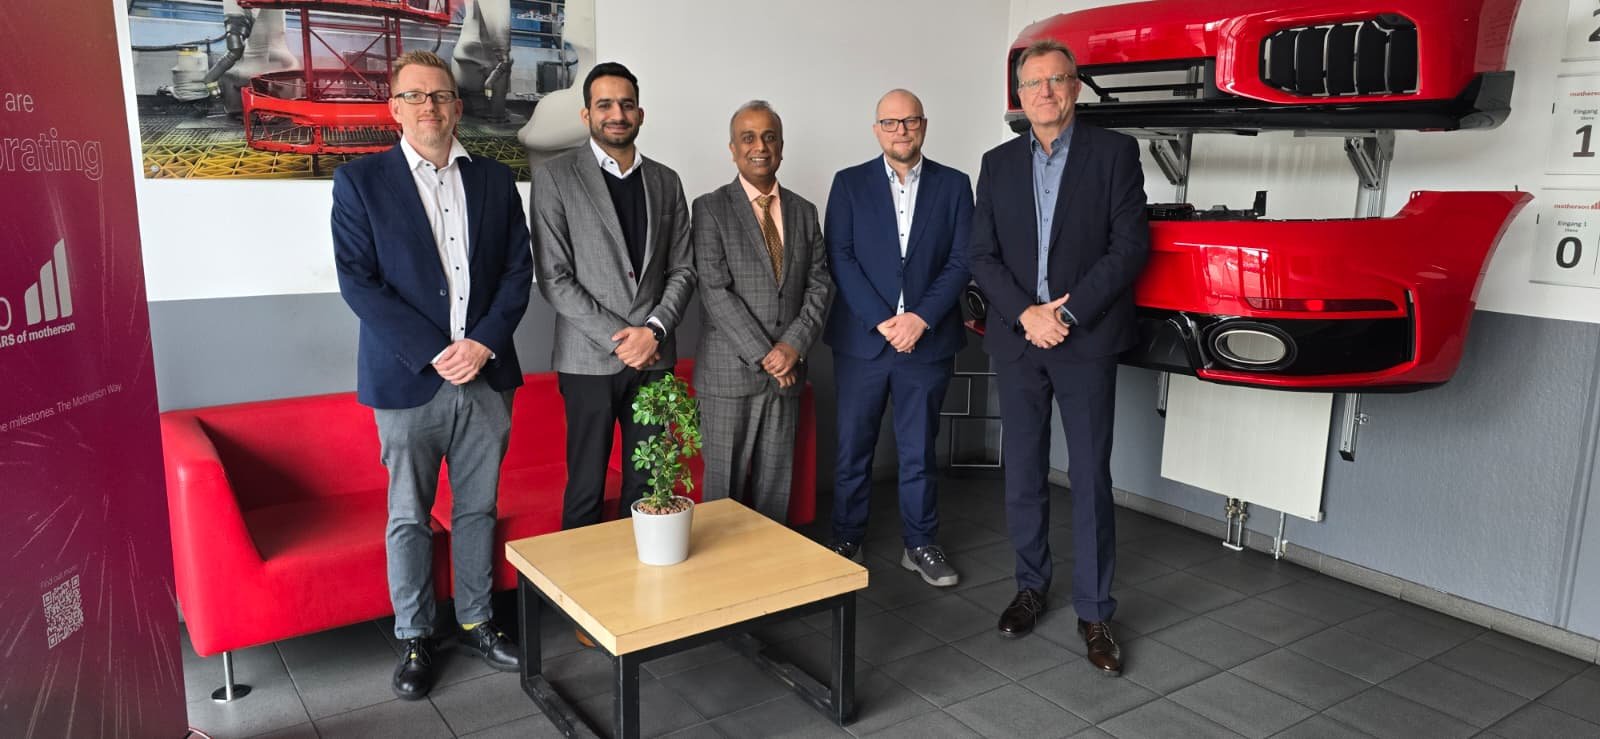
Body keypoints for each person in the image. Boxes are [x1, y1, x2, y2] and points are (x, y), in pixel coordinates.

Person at [331, 50, 531, 700]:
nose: (429, 107)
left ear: (458, 107)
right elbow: (358, 282)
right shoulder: (360, 182)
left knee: (478, 508)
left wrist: (482, 345)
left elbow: (517, 273)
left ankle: (477, 619)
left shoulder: (496, 181)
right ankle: (416, 634)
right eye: (415, 96)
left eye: (440, 95)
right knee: (409, 516)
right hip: (408, 379)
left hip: (486, 375)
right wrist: (436, 351)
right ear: (394, 109)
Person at [968, 38, 1150, 677]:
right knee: (1022, 472)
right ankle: (1030, 586)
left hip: (1086, 340)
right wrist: (1027, 315)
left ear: (1075, 87)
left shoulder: (1115, 153)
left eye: (1056, 79)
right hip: (1019, 342)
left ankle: (1095, 610)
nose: (1044, 91)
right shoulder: (996, 164)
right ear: (1019, 97)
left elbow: (1129, 248)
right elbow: (981, 255)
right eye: (1032, 83)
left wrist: (1066, 315)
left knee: (1091, 477)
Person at [529, 62, 696, 532]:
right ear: (586, 115)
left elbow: (684, 269)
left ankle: (642, 577)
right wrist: (622, 339)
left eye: (626, 104)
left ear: (640, 113)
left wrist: (654, 331)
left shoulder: (666, 180)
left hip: (655, 357)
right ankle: (580, 581)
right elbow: (555, 277)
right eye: (605, 105)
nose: (617, 114)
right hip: (588, 360)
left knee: (650, 488)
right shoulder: (556, 176)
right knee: (586, 487)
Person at [823, 89, 972, 587]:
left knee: (919, 452)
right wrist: (884, 321)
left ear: (923, 125)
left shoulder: (955, 185)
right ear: (876, 130)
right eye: (890, 122)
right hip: (864, 342)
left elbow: (961, 260)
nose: (900, 130)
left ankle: (920, 543)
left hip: (927, 343)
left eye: (909, 121)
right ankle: (847, 536)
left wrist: (920, 319)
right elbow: (840, 256)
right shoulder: (849, 184)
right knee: (853, 448)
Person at [692, 100, 834, 521]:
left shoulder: (804, 211)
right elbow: (715, 291)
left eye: (770, 137)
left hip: (787, 375)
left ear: (781, 147)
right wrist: (767, 355)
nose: (760, 147)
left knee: (775, 494)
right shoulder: (709, 208)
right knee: (722, 498)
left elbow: (819, 284)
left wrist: (792, 347)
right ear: (733, 149)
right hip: (730, 376)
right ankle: (722, 569)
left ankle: (770, 565)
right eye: (748, 138)